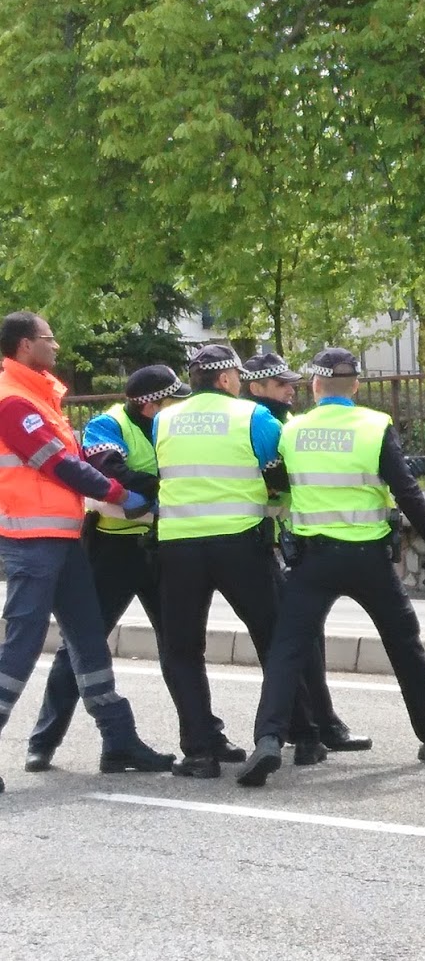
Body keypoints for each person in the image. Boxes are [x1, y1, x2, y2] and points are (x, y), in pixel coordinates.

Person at [236, 347, 425, 786]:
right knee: (404, 644)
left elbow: (279, 481)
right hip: (370, 560)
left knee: (287, 649)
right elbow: (407, 492)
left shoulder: (291, 431)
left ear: (315, 386)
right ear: (355, 386)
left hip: (313, 561)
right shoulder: (375, 427)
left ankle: (269, 739)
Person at [0, 312, 174, 792]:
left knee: (89, 641)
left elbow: (72, 459)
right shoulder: (14, 401)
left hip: (63, 540)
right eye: (48, 339)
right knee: (21, 647)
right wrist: (120, 494)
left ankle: (119, 742)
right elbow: (59, 466)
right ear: (23, 345)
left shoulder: (38, 397)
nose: (56, 347)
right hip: (31, 543)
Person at [154, 344, 320, 778]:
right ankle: (302, 734)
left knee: (182, 648)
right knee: (274, 639)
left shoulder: (163, 420)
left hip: (178, 545)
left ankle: (199, 752)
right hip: (239, 542)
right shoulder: (252, 417)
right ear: (227, 379)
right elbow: (279, 472)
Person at [24, 364, 196, 772]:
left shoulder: (172, 426)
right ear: (152, 404)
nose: (180, 406)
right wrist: (170, 486)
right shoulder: (109, 423)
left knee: (179, 643)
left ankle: (203, 739)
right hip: (113, 551)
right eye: (174, 398)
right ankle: (42, 743)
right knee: (81, 648)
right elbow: (110, 472)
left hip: (159, 547)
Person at [241, 351, 372, 753]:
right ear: (256, 387)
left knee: (301, 640)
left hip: (283, 543)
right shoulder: (263, 424)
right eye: (281, 385)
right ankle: (310, 730)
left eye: (293, 384)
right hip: (265, 544)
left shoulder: (288, 424)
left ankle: (316, 726)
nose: (290, 391)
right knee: (295, 642)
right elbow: (278, 482)